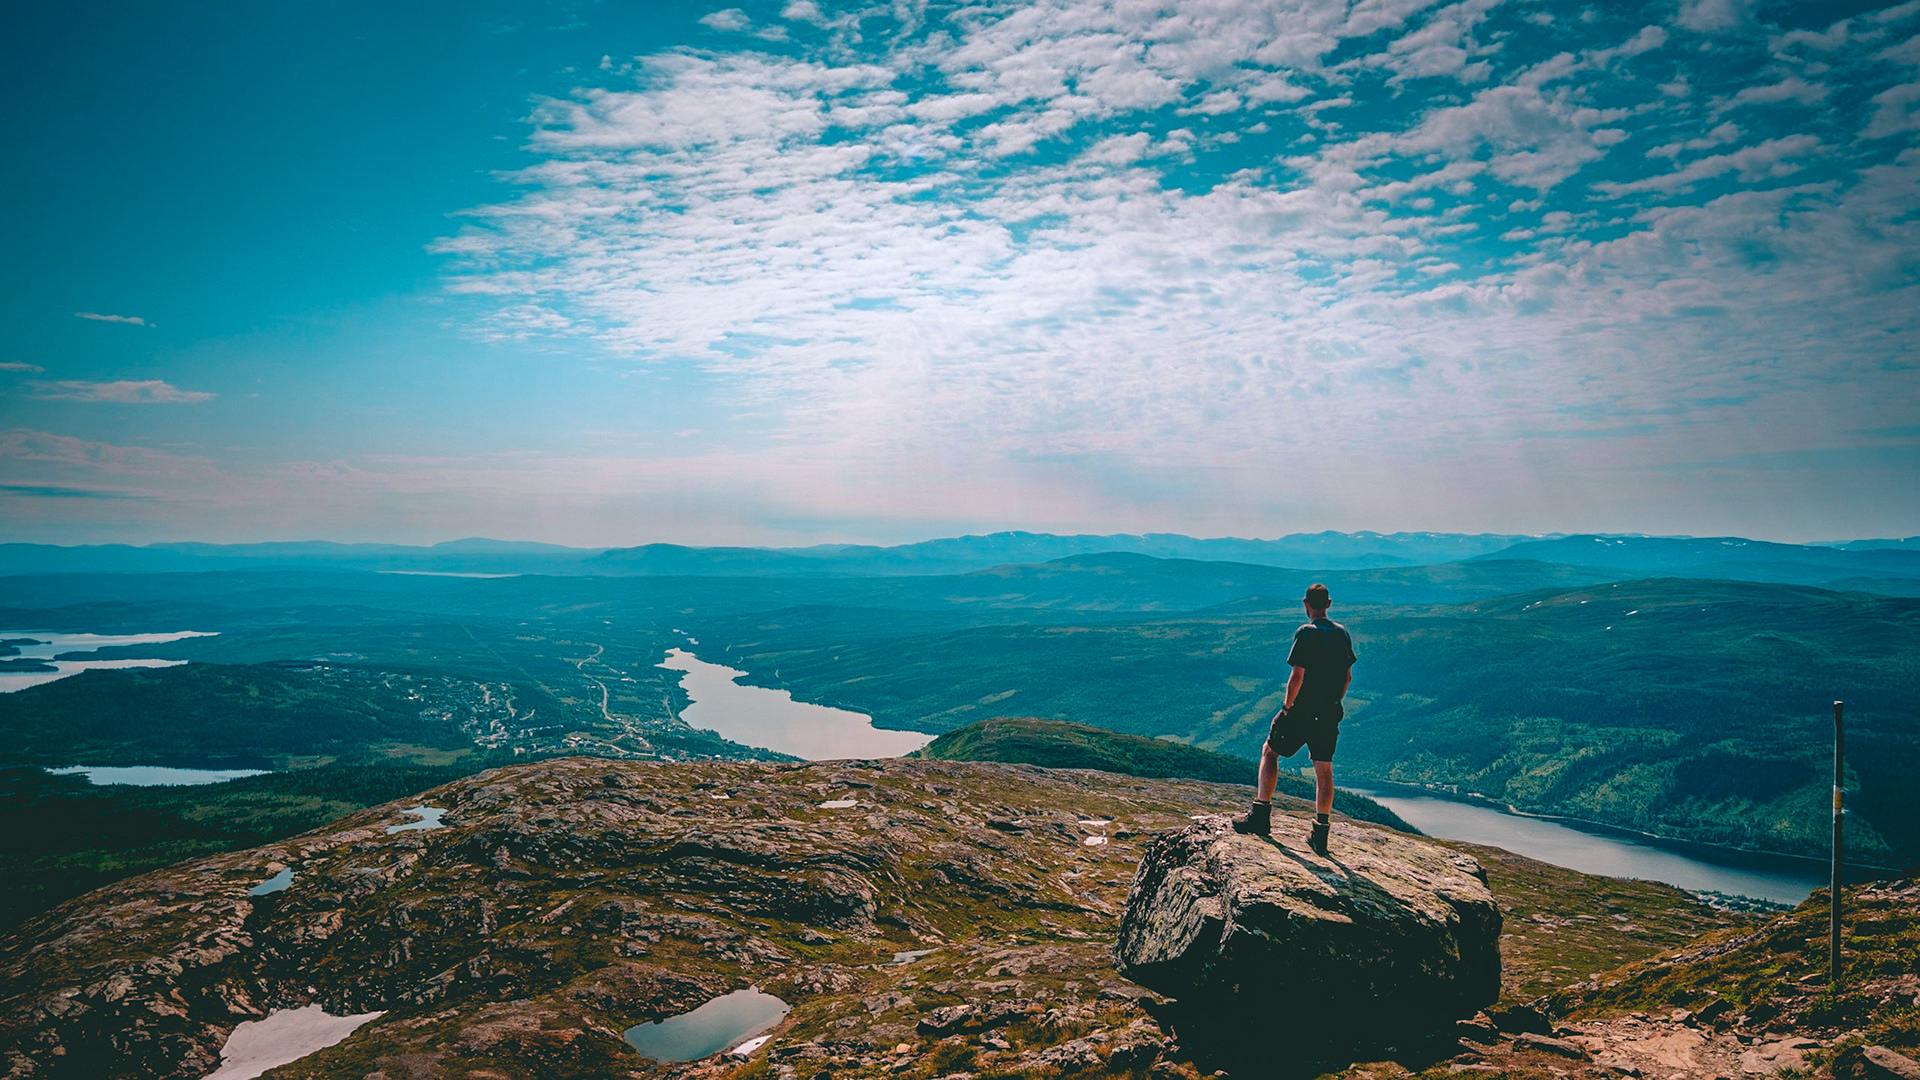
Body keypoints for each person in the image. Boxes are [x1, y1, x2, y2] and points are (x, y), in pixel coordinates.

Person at [1232, 583, 1356, 856]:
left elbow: (1297, 675)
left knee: (1270, 751)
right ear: (1329, 604)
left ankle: (1260, 816)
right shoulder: (1342, 633)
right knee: (1324, 770)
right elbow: (1347, 677)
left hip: (1301, 709)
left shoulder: (1305, 633)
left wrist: (1288, 706)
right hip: (1329, 711)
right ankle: (1319, 833)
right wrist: (1336, 701)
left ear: (1305, 604)